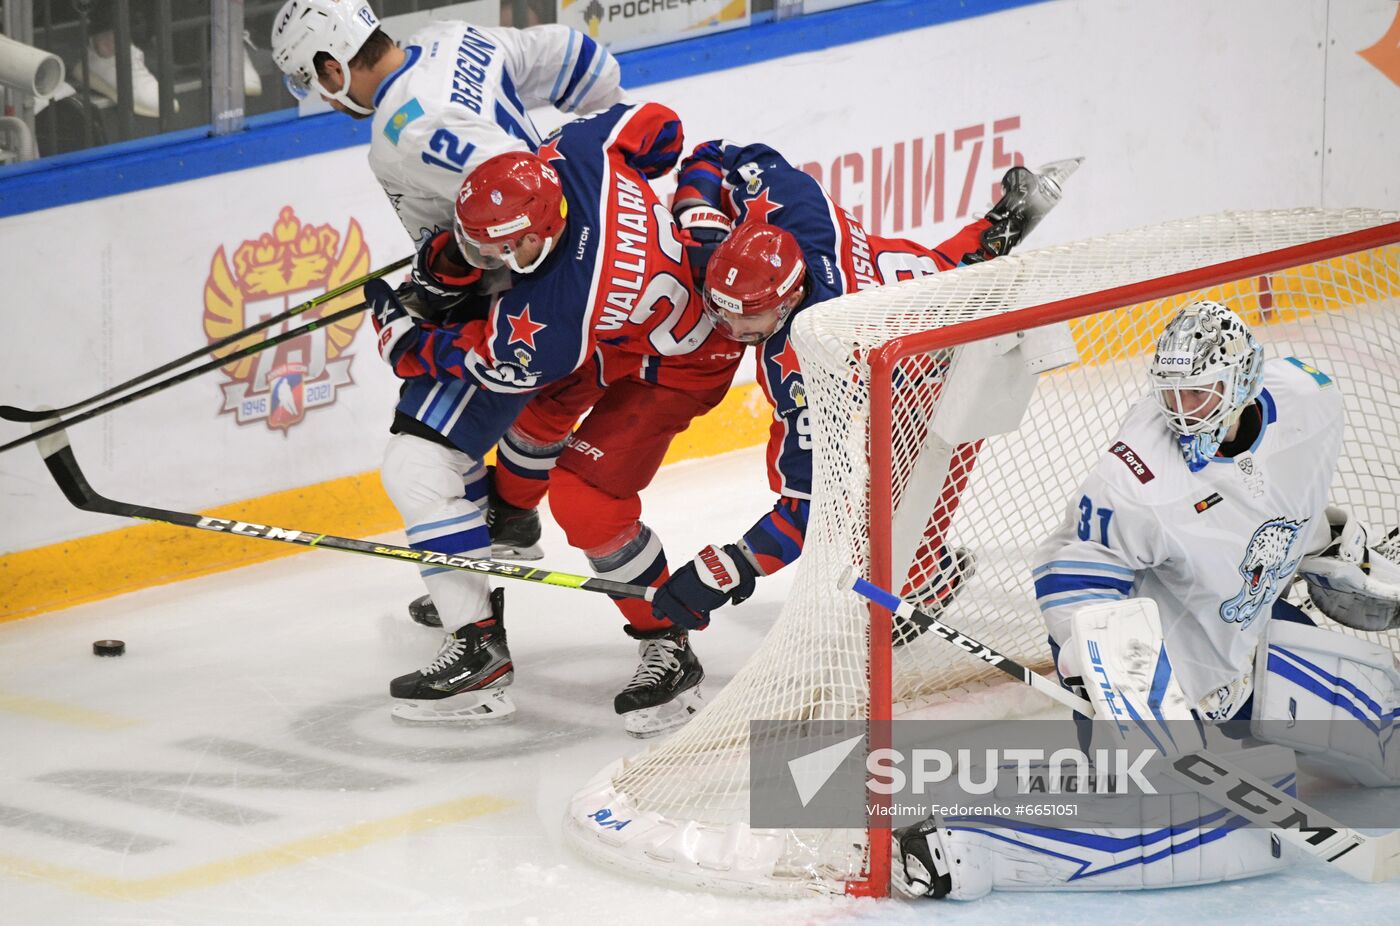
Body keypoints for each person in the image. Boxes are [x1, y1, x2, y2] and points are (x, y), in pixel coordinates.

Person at [893, 300, 1400, 898]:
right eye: (1171, 394)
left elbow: (1276, 504)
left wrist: (1334, 541)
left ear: (1242, 383)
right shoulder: (1136, 478)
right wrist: (1103, 666)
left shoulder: (1310, 402)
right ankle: (966, 837)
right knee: (1211, 832)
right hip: (1167, 676)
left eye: (1199, 395)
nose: (1181, 414)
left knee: (1389, 743)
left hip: (1249, 642)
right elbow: (1070, 563)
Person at [269, 0, 624, 724]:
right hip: (539, 285)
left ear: (333, 66)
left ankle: (478, 650)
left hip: (522, 304)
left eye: (314, 80)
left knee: (417, 465)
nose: (322, 96)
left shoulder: (406, 131)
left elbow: (521, 190)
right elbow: (580, 58)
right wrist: (605, 161)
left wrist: (448, 271)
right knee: (438, 454)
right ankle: (489, 551)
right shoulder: (452, 42)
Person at [365, 101, 737, 733]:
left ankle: (668, 640)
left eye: (505, 250)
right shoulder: (578, 154)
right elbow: (661, 126)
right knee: (536, 418)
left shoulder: (558, 312)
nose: (494, 263)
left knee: (585, 500)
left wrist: (401, 340)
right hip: (626, 328)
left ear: (537, 234)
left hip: (684, 359)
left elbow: (470, 359)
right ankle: (505, 527)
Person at [646, 139, 1079, 635]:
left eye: (747, 318)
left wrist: (730, 567)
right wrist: (699, 204)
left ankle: (929, 580)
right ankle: (1006, 221)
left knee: (889, 538)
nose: (730, 330)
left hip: (956, 368)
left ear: (787, 304)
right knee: (945, 268)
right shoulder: (794, 203)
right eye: (721, 311)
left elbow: (809, 509)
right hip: (937, 293)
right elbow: (723, 152)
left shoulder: (806, 360)